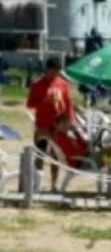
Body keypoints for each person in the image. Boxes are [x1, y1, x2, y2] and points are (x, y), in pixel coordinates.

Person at [25, 57, 75, 191]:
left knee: (56, 155)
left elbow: (68, 103)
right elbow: (30, 104)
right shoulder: (37, 84)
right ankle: (36, 184)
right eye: (52, 71)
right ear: (47, 70)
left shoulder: (63, 84)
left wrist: (70, 120)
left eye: (57, 72)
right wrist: (45, 100)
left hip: (58, 126)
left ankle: (54, 184)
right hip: (43, 125)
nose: (55, 74)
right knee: (40, 154)